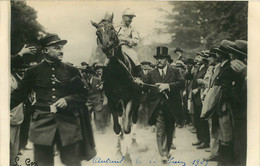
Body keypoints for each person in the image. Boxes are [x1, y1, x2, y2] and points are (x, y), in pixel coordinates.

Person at [10, 34, 96, 166]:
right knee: (43, 163)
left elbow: (83, 94)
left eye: (62, 48)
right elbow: (19, 95)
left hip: (68, 124)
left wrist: (68, 100)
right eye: (56, 48)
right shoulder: (33, 72)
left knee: (72, 162)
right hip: (42, 125)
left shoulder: (72, 70)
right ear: (45, 51)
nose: (61, 51)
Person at [137, 46, 184, 163]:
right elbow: (145, 85)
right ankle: (162, 153)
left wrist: (168, 86)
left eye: (162, 59)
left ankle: (167, 150)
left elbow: (182, 83)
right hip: (157, 106)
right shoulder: (151, 73)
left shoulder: (175, 71)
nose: (159, 61)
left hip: (172, 106)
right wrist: (138, 83)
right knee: (160, 129)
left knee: (169, 129)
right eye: (157, 58)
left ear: (167, 60)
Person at [10, 45, 36, 165]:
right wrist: (21, 53)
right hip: (10, 115)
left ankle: (14, 159)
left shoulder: (13, 77)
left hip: (18, 113)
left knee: (15, 142)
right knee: (8, 143)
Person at [188, 52, 210, 149]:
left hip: (201, 96)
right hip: (195, 97)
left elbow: (207, 84)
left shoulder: (206, 69)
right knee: (197, 119)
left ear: (204, 58)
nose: (197, 58)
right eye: (197, 56)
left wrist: (199, 89)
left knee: (202, 120)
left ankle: (205, 141)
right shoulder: (197, 69)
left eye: (199, 57)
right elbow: (189, 78)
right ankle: (200, 138)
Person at [115, 8, 142, 77]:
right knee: (106, 62)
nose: (131, 20)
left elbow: (136, 41)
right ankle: (103, 81)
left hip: (127, 48)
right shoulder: (115, 27)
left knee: (135, 58)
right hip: (116, 48)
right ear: (123, 17)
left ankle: (139, 77)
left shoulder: (132, 28)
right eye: (129, 17)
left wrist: (126, 40)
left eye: (132, 18)